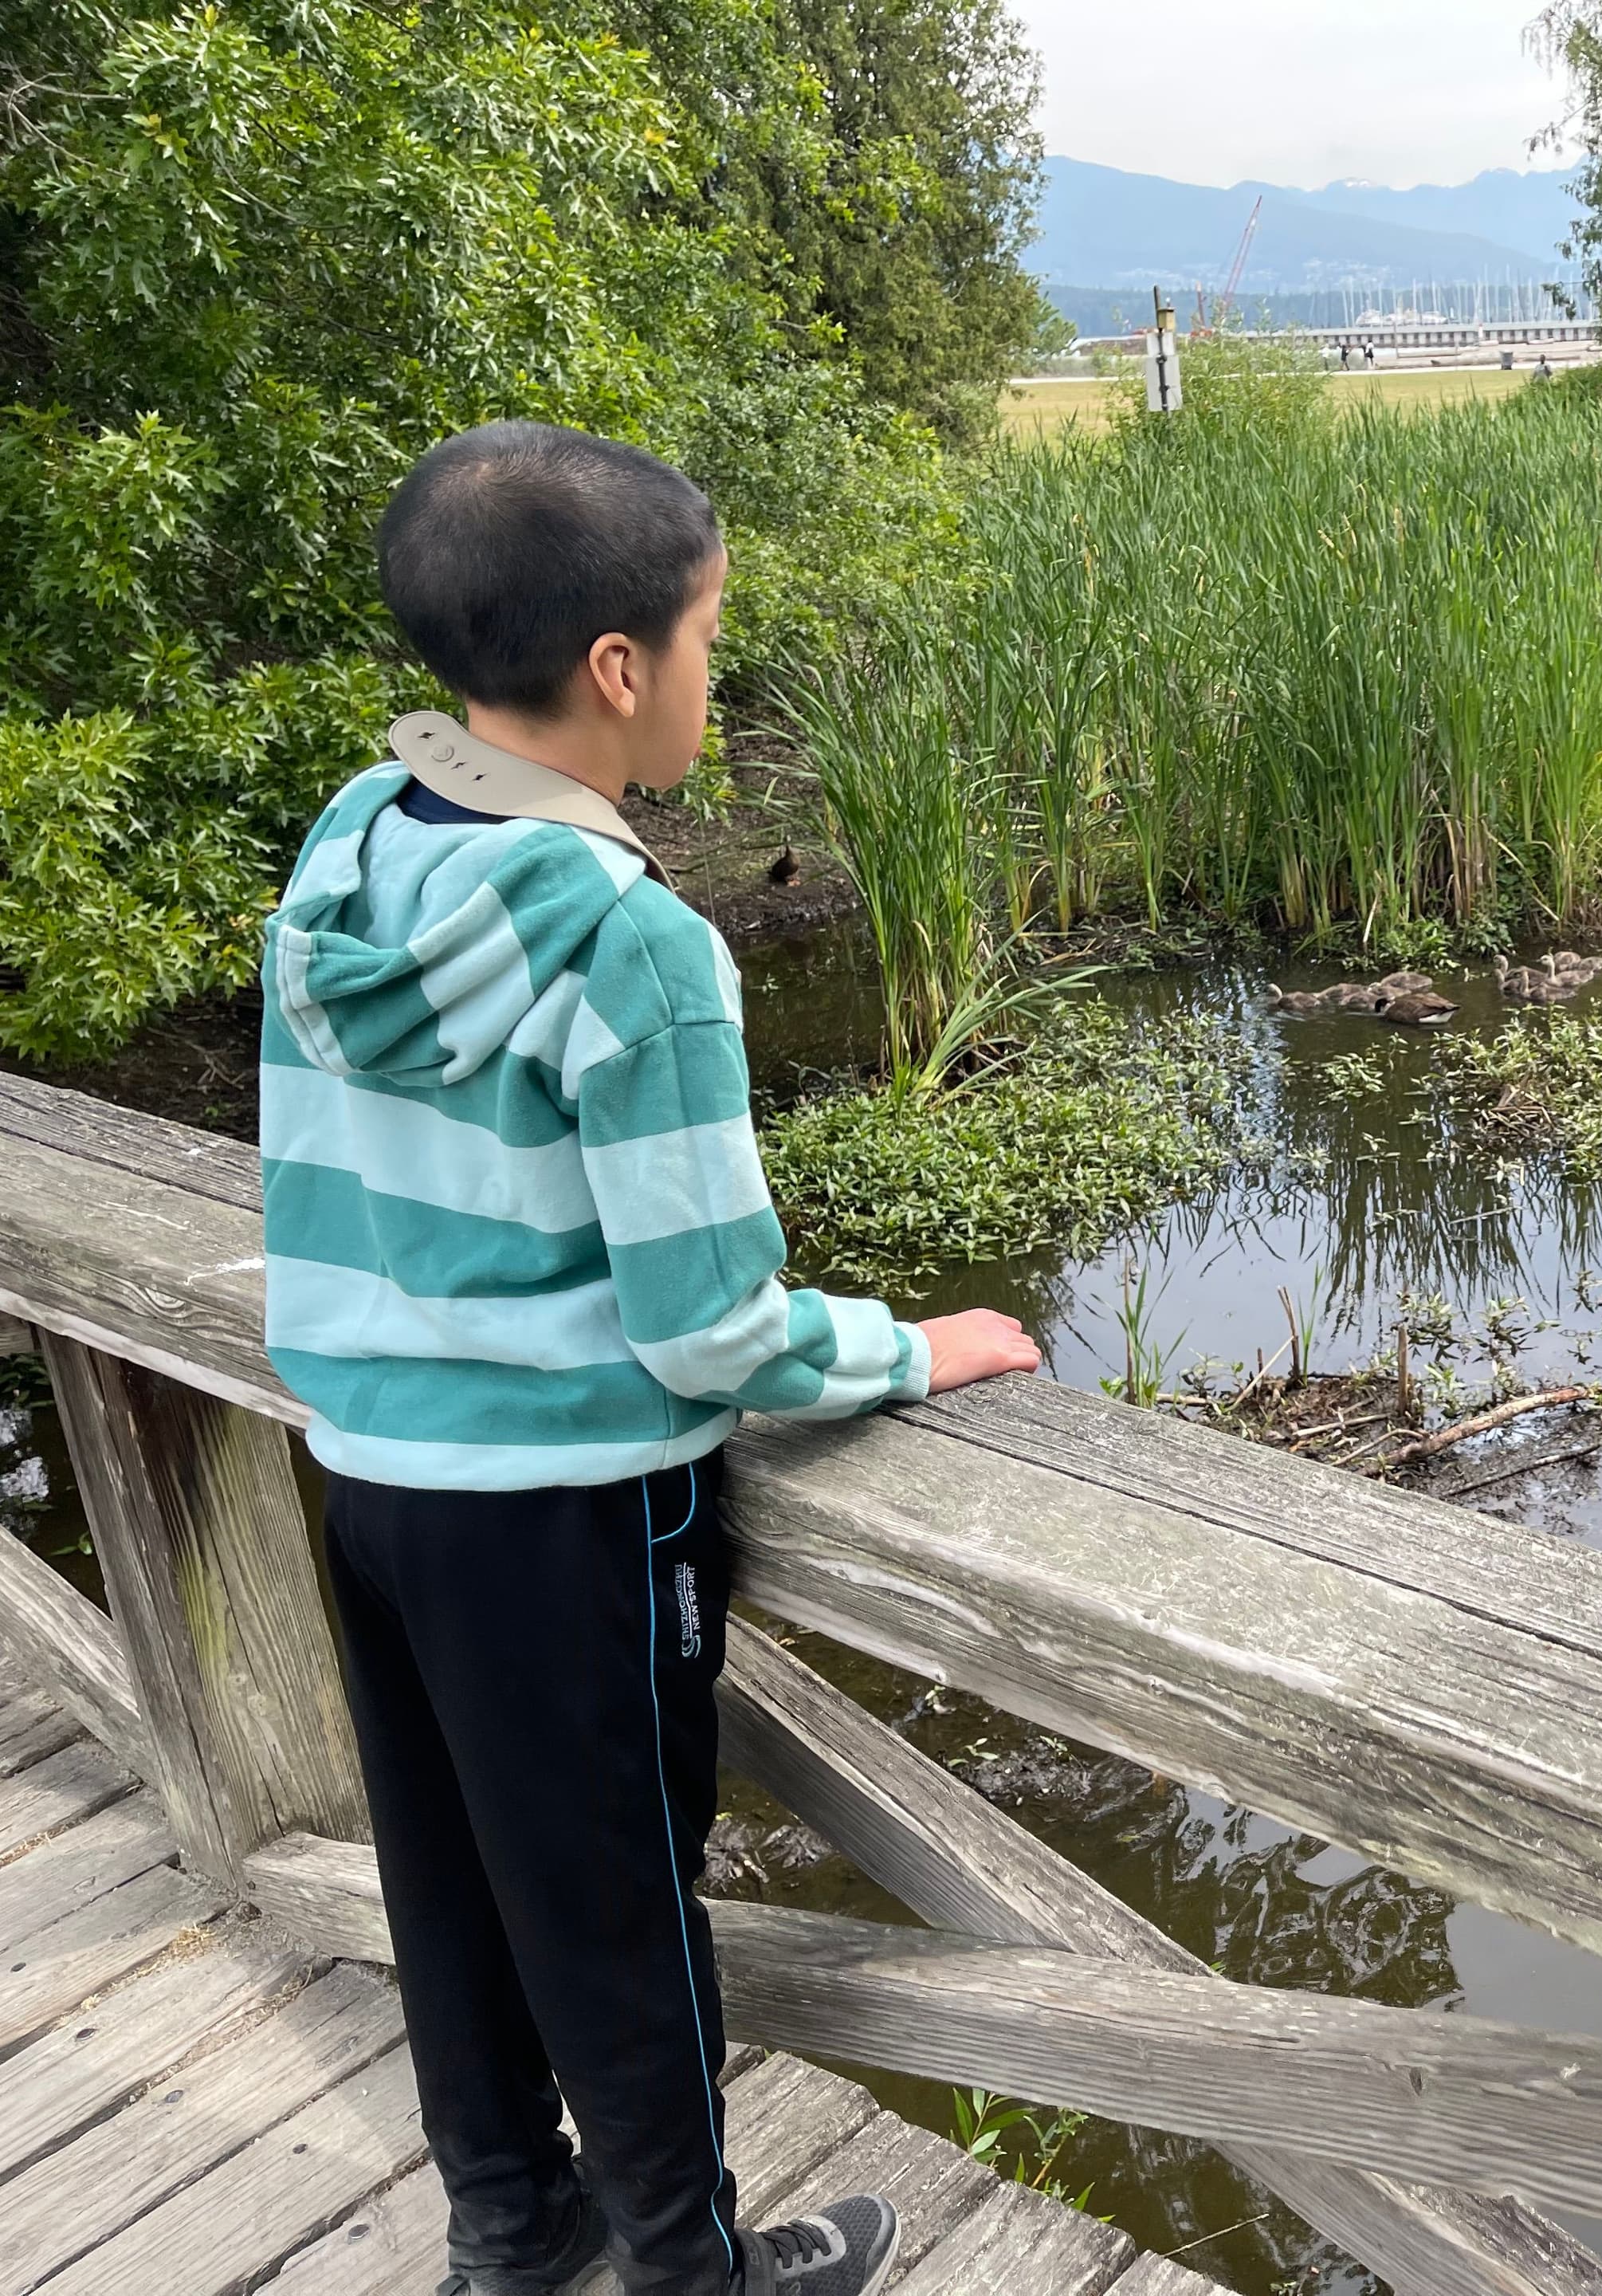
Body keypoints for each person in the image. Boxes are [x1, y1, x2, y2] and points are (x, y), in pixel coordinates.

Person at [259, 420, 1043, 2296]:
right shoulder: (637, 943)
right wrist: (903, 1351)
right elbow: (705, 1322)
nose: (714, 671)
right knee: (617, 1916)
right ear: (618, 671)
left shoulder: (357, 843)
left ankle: (509, 2242)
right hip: (559, 1514)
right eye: (706, 636)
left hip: (369, 1478)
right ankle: (693, 2274)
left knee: (447, 1892)